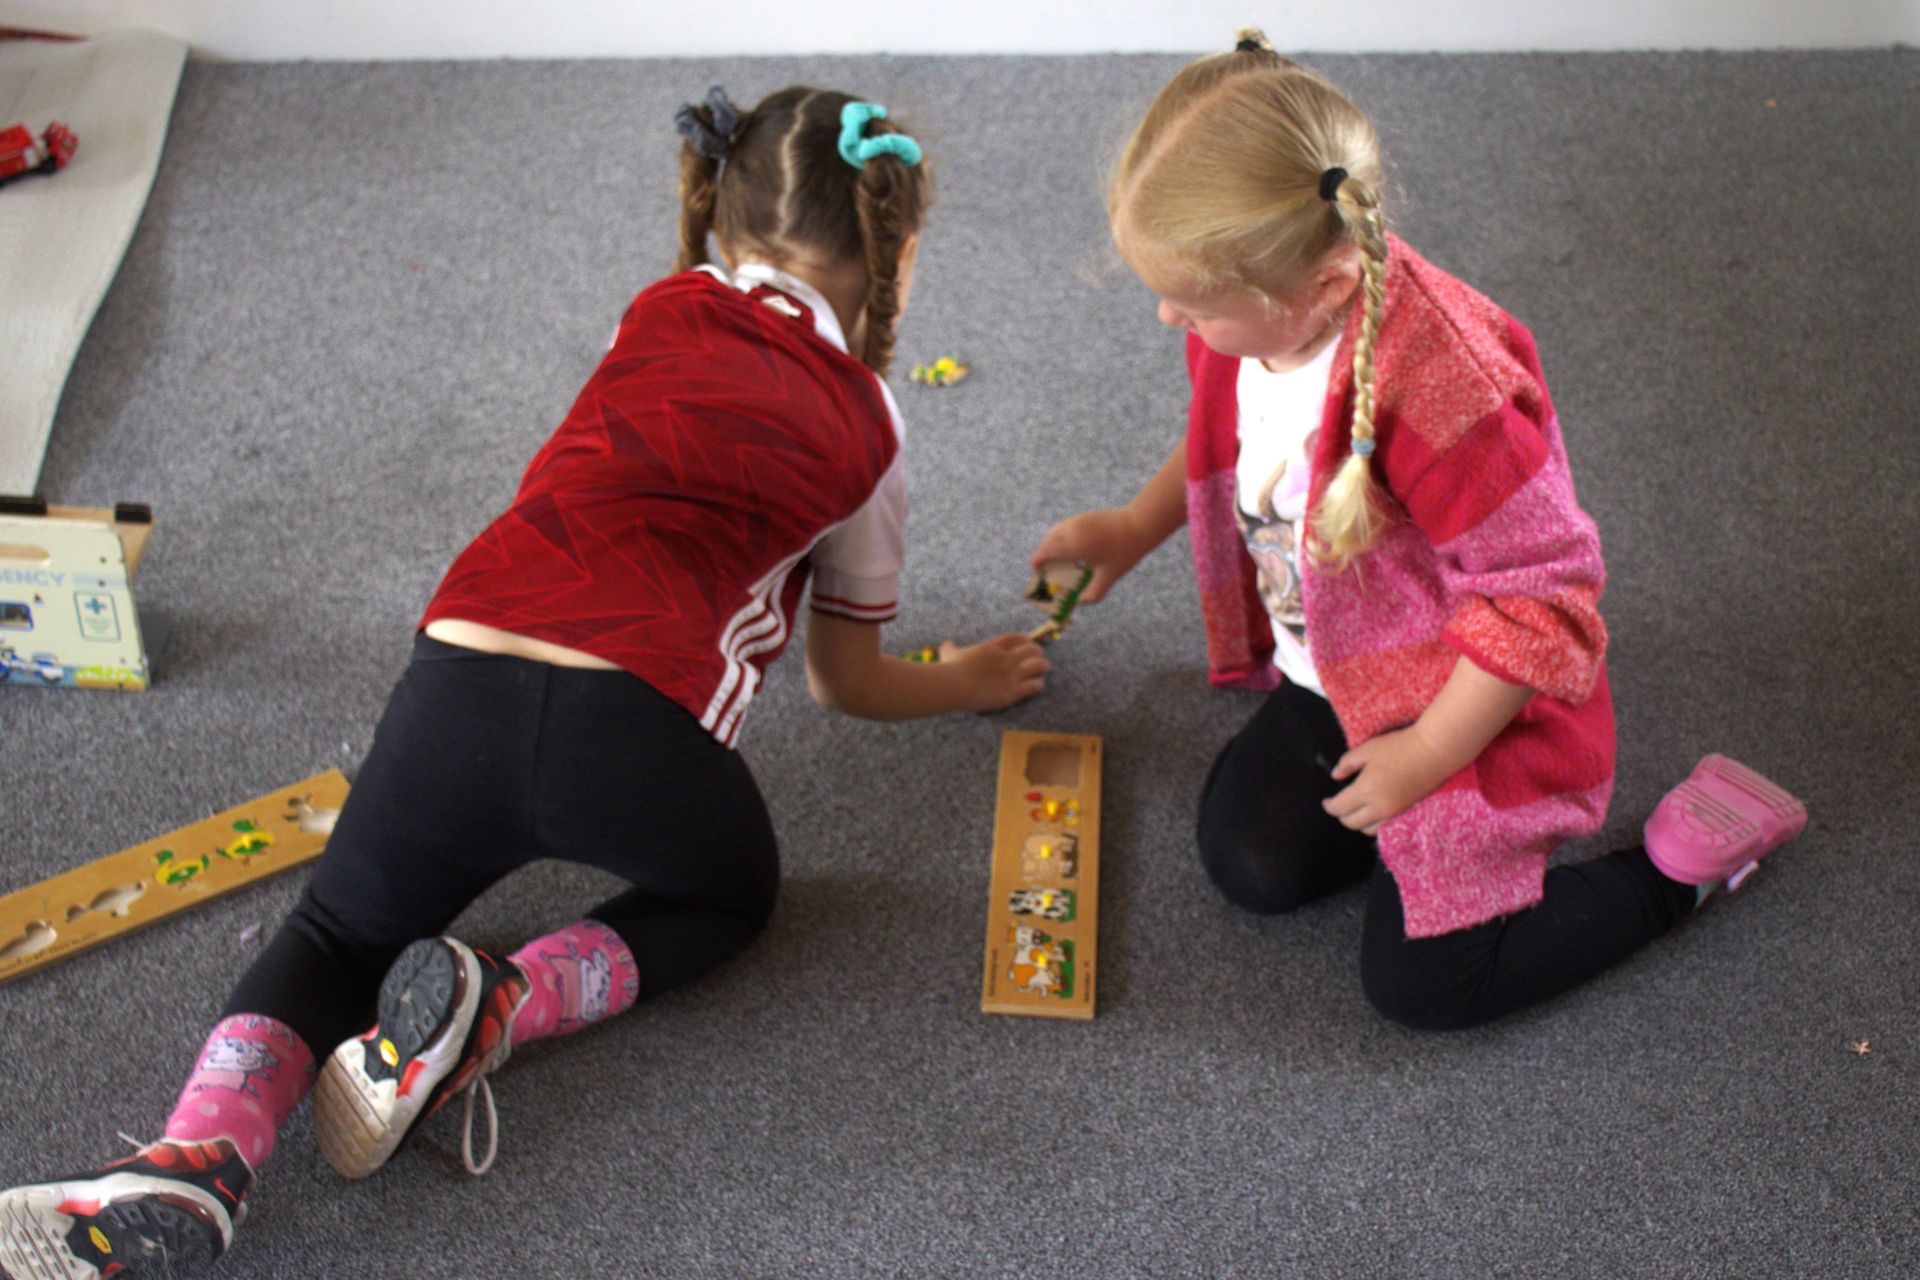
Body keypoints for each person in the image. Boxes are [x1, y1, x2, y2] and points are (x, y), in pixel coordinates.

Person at [0, 84, 1048, 1280]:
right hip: (638, 734)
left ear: (722, 218)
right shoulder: (869, 420)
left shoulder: (653, 311)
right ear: (898, 244)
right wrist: (963, 680)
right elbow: (844, 681)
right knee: (735, 893)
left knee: (336, 929)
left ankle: (196, 1154)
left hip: (460, 674)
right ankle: (503, 996)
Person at [1031, 32, 1802, 1032]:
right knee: (1250, 861)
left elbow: (1544, 595)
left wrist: (1429, 753)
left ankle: (1672, 871)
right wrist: (1137, 525)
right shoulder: (1265, 317)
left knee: (1427, 986)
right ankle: (1399, 806)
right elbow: (1236, 439)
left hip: (1472, 699)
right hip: (1350, 669)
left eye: (1193, 304)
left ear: (1325, 290)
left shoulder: (1445, 388)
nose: (1168, 314)